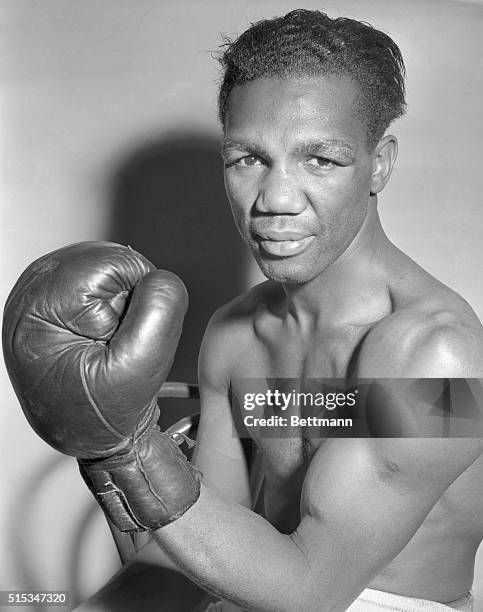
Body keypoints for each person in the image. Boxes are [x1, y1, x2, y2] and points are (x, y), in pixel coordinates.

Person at [3, 9, 483, 612]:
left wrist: (126, 448)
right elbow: (202, 551)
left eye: (321, 160)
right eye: (248, 159)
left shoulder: (445, 361)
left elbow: (311, 590)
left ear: (379, 163)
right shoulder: (235, 334)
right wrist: (104, 454)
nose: (276, 200)